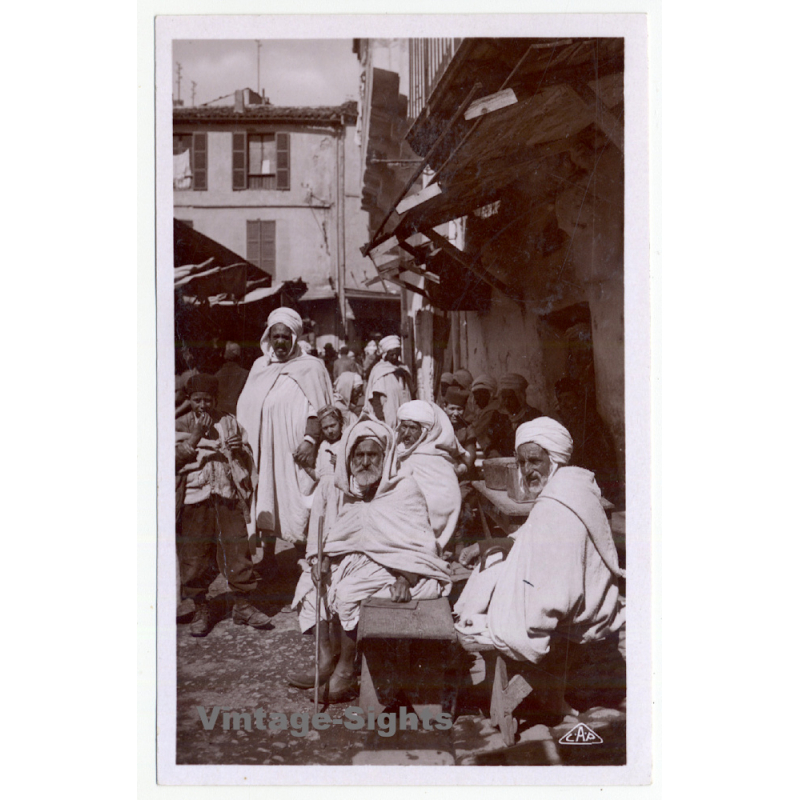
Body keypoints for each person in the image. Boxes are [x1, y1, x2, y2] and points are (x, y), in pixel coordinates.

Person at [456, 418, 625, 716]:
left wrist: (518, 616)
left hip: (580, 617)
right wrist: (489, 546)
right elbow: (531, 539)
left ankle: (547, 697)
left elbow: (554, 594)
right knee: (495, 563)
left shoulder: (557, 505)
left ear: (554, 459)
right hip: (586, 602)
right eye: (521, 462)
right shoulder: (571, 487)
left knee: (495, 595)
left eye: (535, 460)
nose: (527, 469)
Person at [289, 418, 451, 699]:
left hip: (395, 567)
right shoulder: (353, 493)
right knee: (311, 583)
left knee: (348, 592)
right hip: (358, 560)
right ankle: (325, 661)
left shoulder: (404, 489)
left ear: (385, 456)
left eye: (372, 454)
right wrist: (324, 559)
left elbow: (420, 546)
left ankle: (345, 672)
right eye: (358, 455)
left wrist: (404, 577)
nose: (365, 462)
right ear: (349, 459)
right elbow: (342, 536)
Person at [236, 307, 334, 567]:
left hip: (297, 450)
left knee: (301, 500)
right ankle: (268, 559)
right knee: (267, 495)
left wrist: (310, 441)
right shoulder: (260, 366)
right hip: (265, 449)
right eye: (276, 336)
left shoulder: (311, 367)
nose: (280, 342)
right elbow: (246, 405)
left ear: (294, 337)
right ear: (268, 337)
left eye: (285, 336)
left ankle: (306, 558)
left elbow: (320, 408)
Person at [176, 374, 271, 636]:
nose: (203, 405)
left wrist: (240, 449)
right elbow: (168, 461)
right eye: (197, 400)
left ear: (215, 400)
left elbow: (247, 455)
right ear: (189, 400)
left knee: (237, 548)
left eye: (208, 400)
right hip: (194, 500)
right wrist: (194, 437)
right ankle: (200, 607)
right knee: (194, 555)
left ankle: (243, 606)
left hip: (227, 495)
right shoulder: (178, 424)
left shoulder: (228, 422)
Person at [387, 400, 466, 553]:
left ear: (424, 431)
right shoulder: (398, 451)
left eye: (412, 428)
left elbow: (444, 503)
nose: (406, 433)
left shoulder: (437, 459)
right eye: (403, 427)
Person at [555, 377, 622, 506]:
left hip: (598, 479)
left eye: (568, 399)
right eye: (560, 400)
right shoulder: (570, 418)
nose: (563, 404)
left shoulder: (588, 419)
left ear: (578, 399)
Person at [364, 335, 412, 427]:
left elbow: (411, 391)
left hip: (404, 414)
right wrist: (380, 418)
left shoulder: (403, 368)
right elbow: (375, 398)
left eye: (397, 354)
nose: (395, 357)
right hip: (388, 416)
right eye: (392, 354)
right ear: (385, 355)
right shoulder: (379, 370)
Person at [443, 386, 477, 472]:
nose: (456, 413)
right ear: (445, 407)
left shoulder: (468, 428)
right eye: (452, 409)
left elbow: (470, 455)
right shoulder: (439, 426)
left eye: (459, 409)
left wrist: (461, 469)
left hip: (461, 471)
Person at [214, 342, 249, 416]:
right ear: (239, 356)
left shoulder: (216, 376)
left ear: (224, 356)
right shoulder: (246, 375)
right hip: (239, 415)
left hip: (220, 416)